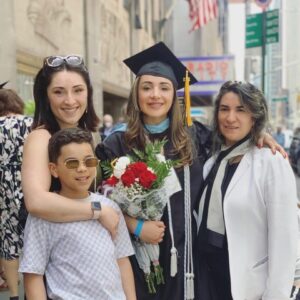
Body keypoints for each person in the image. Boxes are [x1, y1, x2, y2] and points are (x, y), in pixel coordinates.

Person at [95, 42, 284, 300]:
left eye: (164, 87)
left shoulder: (196, 137)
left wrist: (260, 134)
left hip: (189, 261)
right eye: (147, 87)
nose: (155, 95)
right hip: (136, 257)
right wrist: (136, 226)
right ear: (135, 93)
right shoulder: (116, 144)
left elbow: (233, 139)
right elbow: (100, 201)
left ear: (175, 93)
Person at [195, 81, 298, 300]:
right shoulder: (212, 163)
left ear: (254, 118)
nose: (230, 118)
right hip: (209, 283)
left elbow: (285, 241)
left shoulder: (271, 163)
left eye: (241, 110)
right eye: (224, 109)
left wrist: (275, 296)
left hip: (248, 287)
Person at [20, 127, 136, 300]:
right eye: (72, 163)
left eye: (89, 161)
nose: (82, 169)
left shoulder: (110, 207)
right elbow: (33, 274)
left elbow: (122, 260)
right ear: (54, 169)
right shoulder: (45, 215)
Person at [21, 55, 119, 240]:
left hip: (88, 242)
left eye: (78, 90)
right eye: (59, 92)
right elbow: (36, 201)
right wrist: (97, 211)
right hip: (53, 249)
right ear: (46, 97)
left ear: (88, 94)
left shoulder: (90, 135)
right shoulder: (41, 138)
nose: (70, 100)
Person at [0, 87, 33, 300]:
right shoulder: (32, 123)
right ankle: (34, 291)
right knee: (34, 238)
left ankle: (13, 294)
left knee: (8, 240)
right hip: (30, 182)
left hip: (3, 188)